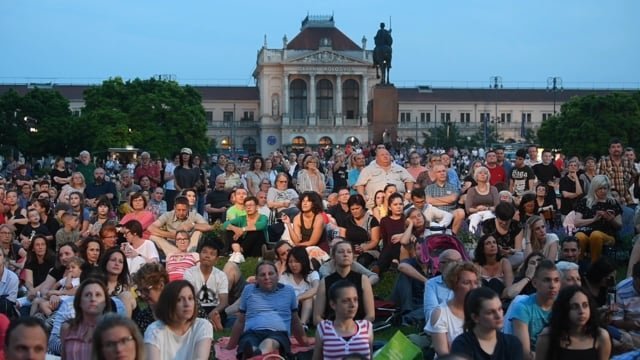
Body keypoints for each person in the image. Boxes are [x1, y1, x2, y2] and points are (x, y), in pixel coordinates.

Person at [226, 261, 314, 359]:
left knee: (270, 342)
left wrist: (304, 342)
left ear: (277, 276)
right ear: (256, 279)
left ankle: (255, 355)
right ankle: (254, 353)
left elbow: (295, 321)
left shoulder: (288, 291)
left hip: (278, 332)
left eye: (271, 273)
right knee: (248, 343)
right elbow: (240, 321)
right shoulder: (248, 290)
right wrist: (230, 346)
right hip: (252, 332)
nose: (267, 277)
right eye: (262, 275)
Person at [535, 285, 611, 360]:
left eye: (585, 305)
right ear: (564, 309)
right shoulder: (547, 336)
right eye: (574, 307)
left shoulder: (600, 336)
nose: (582, 311)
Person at [504, 259, 560, 360]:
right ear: (534, 283)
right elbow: (525, 354)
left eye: (556, 280)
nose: (552, 285)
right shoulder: (522, 307)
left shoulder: (562, 306)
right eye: (547, 280)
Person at [144, 280, 213, 360]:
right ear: (168, 303)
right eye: (179, 300)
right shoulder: (154, 331)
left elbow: (200, 358)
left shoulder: (202, 326)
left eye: (190, 298)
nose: (187, 304)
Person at [450, 287, 523, 360]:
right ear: (475, 317)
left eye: (500, 309)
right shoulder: (462, 345)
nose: (498, 315)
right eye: (490, 312)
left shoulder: (512, 343)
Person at [426, 262, 480, 357]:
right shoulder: (440, 313)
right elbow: (444, 354)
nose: (473, 288)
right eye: (466, 283)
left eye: (475, 283)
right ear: (454, 285)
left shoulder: (481, 310)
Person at [314, 241, 375, 325]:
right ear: (333, 257)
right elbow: (317, 317)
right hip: (332, 327)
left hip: (358, 327)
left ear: (353, 256)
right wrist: (330, 329)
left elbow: (370, 315)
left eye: (349, 252)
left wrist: (357, 328)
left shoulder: (363, 280)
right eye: (341, 252)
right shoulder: (325, 282)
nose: (345, 254)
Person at [312, 280, 373, 360]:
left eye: (355, 299)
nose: (352, 305)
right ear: (333, 304)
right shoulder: (324, 329)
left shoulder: (366, 327)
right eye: (346, 301)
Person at [61, 277, 113, 360]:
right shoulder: (67, 328)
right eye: (87, 295)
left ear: (105, 302)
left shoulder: (113, 331)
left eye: (98, 295)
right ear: (79, 301)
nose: (93, 299)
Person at [573, 175, 622, 263]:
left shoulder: (612, 202)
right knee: (579, 236)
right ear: (594, 188)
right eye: (600, 188)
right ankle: (577, 265)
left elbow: (619, 226)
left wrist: (611, 219)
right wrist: (593, 219)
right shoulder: (585, 202)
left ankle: (594, 265)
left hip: (607, 235)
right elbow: (576, 222)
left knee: (596, 235)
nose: (603, 191)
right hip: (586, 232)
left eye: (605, 188)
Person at [183, 238, 228, 332]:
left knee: (220, 315)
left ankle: (212, 323)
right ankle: (211, 325)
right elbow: (190, 297)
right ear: (199, 255)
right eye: (204, 252)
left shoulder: (221, 275)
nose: (207, 256)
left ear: (216, 259)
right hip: (196, 307)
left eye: (212, 254)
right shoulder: (189, 273)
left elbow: (224, 302)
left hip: (215, 308)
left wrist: (213, 312)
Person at [279, 246, 319, 328]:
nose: (293, 265)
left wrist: (298, 298)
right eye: (290, 262)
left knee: (308, 298)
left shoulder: (312, 274)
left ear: (303, 261)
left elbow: (316, 288)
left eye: (297, 261)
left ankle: (302, 325)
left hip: (310, 309)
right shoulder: (285, 276)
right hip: (291, 308)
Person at [224, 196, 269, 261]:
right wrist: (235, 229)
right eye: (246, 206)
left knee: (255, 231)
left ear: (256, 207)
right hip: (244, 247)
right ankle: (238, 253)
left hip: (257, 247)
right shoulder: (242, 218)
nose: (248, 207)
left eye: (251, 205)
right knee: (230, 230)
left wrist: (242, 229)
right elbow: (225, 224)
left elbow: (261, 225)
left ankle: (239, 252)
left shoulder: (263, 217)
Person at [424, 250, 463, 323]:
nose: (457, 265)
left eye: (459, 261)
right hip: (440, 329)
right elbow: (430, 316)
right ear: (440, 266)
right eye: (451, 262)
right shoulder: (432, 284)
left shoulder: (469, 282)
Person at [425, 164, 466, 234]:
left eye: (444, 171)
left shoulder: (453, 187)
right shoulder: (429, 188)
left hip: (450, 212)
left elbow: (453, 199)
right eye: (439, 172)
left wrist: (434, 200)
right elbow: (428, 201)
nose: (442, 173)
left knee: (461, 212)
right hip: (434, 213)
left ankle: (452, 236)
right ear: (435, 174)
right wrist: (447, 201)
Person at [482, 201, 524, 268]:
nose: (504, 223)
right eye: (501, 221)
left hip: (509, 256)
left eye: (507, 221)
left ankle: (499, 266)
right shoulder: (488, 224)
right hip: (491, 255)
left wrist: (511, 251)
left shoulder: (517, 226)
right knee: (473, 253)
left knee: (521, 256)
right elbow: (483, 244)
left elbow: (518, 249)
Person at [132, 263, 169, 334]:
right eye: (140, 291)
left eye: (146, 290)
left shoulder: (177, 312)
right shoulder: (142, 317)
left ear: (161, 285)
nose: (142, 295)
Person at [597, 138, 637, 204]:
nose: (616, 149)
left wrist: (627, 187)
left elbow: (634, 176)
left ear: (622, 149)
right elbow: (597, 181)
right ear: (609, 150)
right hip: (608, 199)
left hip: (626, 198)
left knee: (632, 212)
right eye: (613, 147)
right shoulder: (603, 162)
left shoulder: (627, 162)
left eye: (618, 147)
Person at [473, 234, 514, 299]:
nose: (492, 245)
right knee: (483, 282)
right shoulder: (477, 266)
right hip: (481, 300)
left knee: (494, 282)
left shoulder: (504, 262)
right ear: (482, 249)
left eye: (494, 242)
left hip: (501, 299)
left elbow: (509, 288)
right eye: (488, 243)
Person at [465, 166, 499, 234]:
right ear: (476, 176)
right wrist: (477, 209)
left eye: (485, 173)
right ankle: (471, 238)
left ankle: (488, 235)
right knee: (476, 217)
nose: (483, 174)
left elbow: (497, 206)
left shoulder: (493, 189)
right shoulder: (471, 190)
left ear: (488, 176)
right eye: (480, 173)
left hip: (490, 212)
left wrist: (487, 208)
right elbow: (468, 209)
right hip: (475, 213)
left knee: (488, 215)